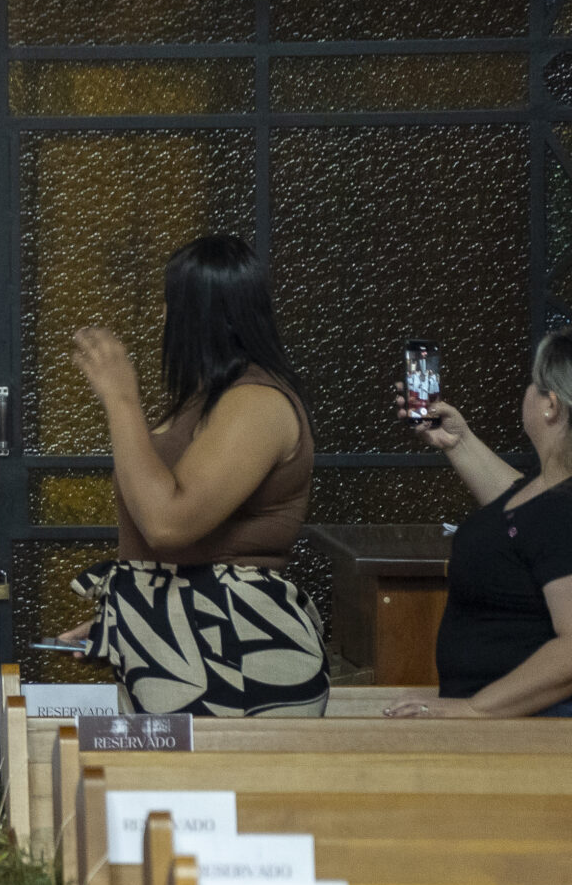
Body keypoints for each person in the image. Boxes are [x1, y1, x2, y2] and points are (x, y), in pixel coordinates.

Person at [64, 235, 325, 716]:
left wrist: (120, 398)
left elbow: (168, 524)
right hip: (189, 646)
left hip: (237, 650)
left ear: (195, 314)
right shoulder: (204, 400)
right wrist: (133, 616)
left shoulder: (257, 402)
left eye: (169, 304)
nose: (161, 317)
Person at [389, 328, 572, 718]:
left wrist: (473, 708)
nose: (526, 393)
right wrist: (459, 442)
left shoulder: (564, 507)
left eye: (532, 384)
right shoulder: (551, 494)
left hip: (532, 728)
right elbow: (522, 514)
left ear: (551, 405)